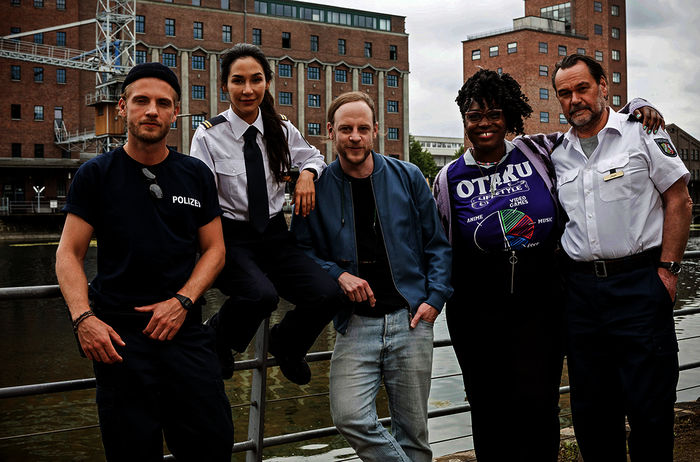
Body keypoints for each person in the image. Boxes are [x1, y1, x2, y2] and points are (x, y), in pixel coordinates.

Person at [432, 68, 666, 461]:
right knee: (488, 411)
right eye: (475, 116)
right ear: (464, 121)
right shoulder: (447, 179)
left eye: (494, 113)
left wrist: (638, 106)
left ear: (508, 116)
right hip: (475, 315)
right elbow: (439, 246)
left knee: (539, 406)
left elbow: (592, 124)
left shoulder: (539, 150)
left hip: (539, 309)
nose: (485, 123)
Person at [55, 62, 234, 461]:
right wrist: (83, 319)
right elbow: (69, 252)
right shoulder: (94, 175)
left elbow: (215, 250)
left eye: (163, 103)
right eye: (141, 101)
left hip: (185, 334)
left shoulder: (195, 174)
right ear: (122, 108)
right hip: (118, 342)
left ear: (175, 112)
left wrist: (182, 300)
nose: (152, 110)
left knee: (212, 446)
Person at [292, 91, 453, 462]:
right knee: (350, 417)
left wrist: (434, 300)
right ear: (330, 132)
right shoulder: (314, 188)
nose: (354, 136)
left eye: (363, 128)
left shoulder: (408, 176)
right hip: (355, 323)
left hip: (410, 319)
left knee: (413, 433)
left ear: (376, 131)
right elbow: (300, 252)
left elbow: (437, 244)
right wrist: (338, 275)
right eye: (346, 128)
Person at [550, 54, 692, 461]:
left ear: (603, 87)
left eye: (582, 88)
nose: (574, 99)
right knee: (593, 414)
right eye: (564, 93)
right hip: (581, 296)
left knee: (650, 412)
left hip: (639, 287)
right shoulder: (557, 153)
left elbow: (679, 201)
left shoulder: (643, 132)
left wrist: (667, 271)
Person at [190, 43, 342, 385]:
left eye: (256, 80)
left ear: (268, 83)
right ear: (224, 86)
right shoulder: (208, 135)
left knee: (328, 293)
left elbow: (314, 156)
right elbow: (200, 196)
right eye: (237, 81)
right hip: (230, 239)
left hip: (275, 236)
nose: (247, 89)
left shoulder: (282, 129)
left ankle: (286, 342)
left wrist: (306, 175)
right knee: (261, 296)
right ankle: (217, 339)